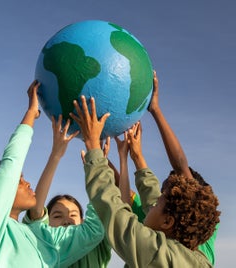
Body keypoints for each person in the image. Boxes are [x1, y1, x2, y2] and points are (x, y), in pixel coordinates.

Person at [0, 81, 105, 267]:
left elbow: (93, 230)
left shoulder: (38, 237)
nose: (27, 184)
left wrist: (96, 159)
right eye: (18, 181)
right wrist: (31, 114)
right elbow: (10, 166)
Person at [70, 95, 221, 267]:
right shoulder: (185, 248)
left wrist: (93, 149)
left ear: (167, 222)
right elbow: (152, 197)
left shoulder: (160, 255)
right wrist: (137, 157)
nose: (152, 204)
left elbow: (114, 214)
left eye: (158, 203)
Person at [109, 71, 220, 265]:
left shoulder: (197, 223)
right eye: (163, 192)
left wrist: (156, 110)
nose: (159, 196)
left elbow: (180, 166)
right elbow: (128, 194)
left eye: (164, 193)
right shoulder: (157, 214)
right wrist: (125, 157)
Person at [20, 113, 112, 268]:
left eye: (73, 215)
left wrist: (98, 166)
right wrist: (55, 156)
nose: (67, 220)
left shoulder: (97, 242)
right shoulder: (48, 248)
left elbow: (103, 208)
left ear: (83, 221)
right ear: (47, 223)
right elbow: (36, 212)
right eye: (57, 215)